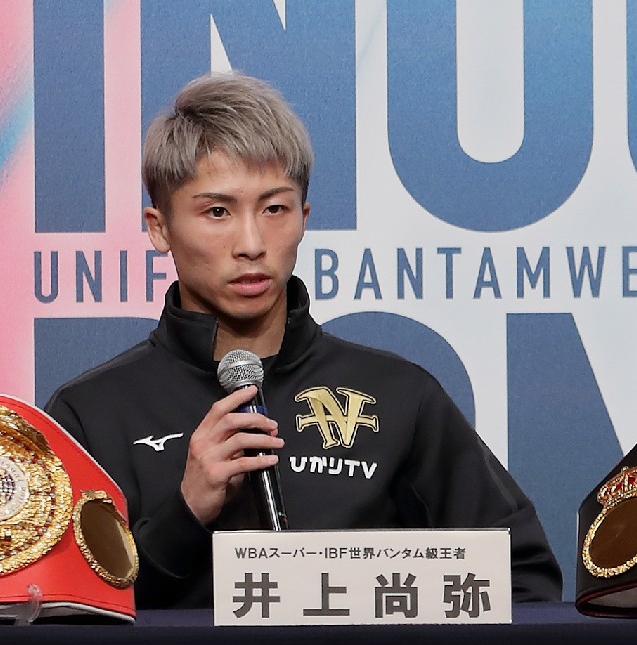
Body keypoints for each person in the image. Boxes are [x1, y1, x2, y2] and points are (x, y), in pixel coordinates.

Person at [45, 72, 562, 608]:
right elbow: (61, 618)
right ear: (160, 227)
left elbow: (523, 580)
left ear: (303, 218)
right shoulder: (91, 414)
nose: (251, 243)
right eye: (217, 212)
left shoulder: (399, 395)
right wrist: (185, 513)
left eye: (275, 209)